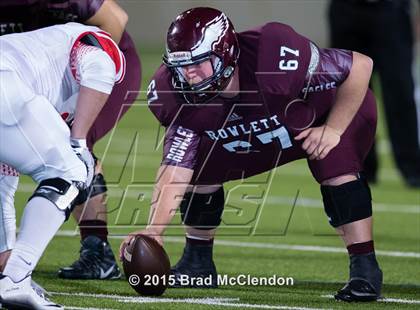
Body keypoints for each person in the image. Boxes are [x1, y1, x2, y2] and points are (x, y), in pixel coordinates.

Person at [121, 7, 383, 302]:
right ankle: (197, 262)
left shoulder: (273, 58)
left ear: (226, 52)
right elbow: (176, 166)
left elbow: (360, 66)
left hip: (323, 117)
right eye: (181, 67)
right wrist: (154, 231)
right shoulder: (175, 95)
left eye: (198, 63)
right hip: (262, 130)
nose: (188, 75)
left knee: (336, 168)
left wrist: (333, 129)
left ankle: (365, 268)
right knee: (200, 162)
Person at [0, 0, 142, 280]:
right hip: (31, 73)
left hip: (94, 64)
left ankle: (97, 250)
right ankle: (9, 255)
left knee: (74, 150)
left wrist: (85, 82)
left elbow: (115, 18)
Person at [328, 0, 420, 186]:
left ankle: (412, 168)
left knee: (400, 91)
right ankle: (360, 165)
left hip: (391, 10)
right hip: (347, 12)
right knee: (351, 92)